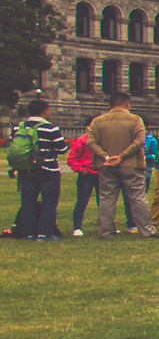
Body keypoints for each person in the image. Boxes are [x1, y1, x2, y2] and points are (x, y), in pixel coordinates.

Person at [84, 92, 156, 238]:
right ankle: (147, 230)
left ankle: (106, 231)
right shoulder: (135, 120)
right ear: (127, 103)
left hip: (106, 164)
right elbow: (139, 141)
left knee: (107, 198)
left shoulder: (98, 121)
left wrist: (106, 156)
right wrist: (122, 155)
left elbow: (90, 142)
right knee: (137, 197)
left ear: (109, 105)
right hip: (131, 164)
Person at [5, 97, 67, 240]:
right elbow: (62, 148)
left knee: (27, 202)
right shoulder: (51, 128)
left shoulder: (18, 128)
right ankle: (44, 232)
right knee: (49, 201)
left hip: (25, 169)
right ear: (46, 111)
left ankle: (28, 232)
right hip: (48, 169)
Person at [66, 126, 98, 236]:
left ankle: (106, 224)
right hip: (87, 174)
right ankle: (77, 227)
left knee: (104, 201)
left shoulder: (102, 140)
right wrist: (80, 169)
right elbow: (71, 158)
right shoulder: (81, 140)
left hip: (100, 173)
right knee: (82, 201)